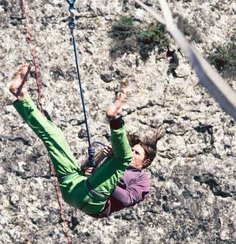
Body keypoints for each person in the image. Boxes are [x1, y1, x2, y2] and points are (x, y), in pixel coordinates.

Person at [9, 64, 163, 218]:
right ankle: (22, 96)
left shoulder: (142, 180)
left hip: (92, 201)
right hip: (73, 185)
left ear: (146, 161)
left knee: (122, 158)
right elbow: (84, 168)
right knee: (55, 136)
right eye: (133, 149)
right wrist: (101, 157)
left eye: (137, 153)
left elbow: (126, 199)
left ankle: (115, 119)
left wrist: (106, 176)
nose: (132, 152)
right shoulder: (114, 163)